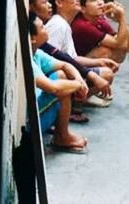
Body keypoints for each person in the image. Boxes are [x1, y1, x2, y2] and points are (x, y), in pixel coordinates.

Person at [30, 0, 118, 101]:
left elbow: (69, 57)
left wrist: (98, 62)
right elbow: (56, 56)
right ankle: (74, 103)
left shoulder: (65, 24)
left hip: (66, 67)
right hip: (53, 77)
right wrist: (84, 78)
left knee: (105, 68)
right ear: (59, 2)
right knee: (104, 73)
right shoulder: (58, 25)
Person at [29, 12, 88, 154]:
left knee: (61, 74)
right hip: (29, 120)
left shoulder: (36, 53)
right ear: (32, 38)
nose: (45, 29)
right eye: (42, 27)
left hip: (39, 108)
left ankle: (61, 134)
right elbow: (52, 88)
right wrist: (77, 85)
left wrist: (79, 80)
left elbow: (65, 65)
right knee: (62, 85)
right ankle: (62, 136)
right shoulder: (27, 62)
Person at [73, 0, 129, 64]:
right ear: (82, 9)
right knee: (105, 51)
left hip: (85, 61)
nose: (100, 3)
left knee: (117, 47)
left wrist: (121, 21)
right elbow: (118, 44)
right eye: (94, 0)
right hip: (74, 64)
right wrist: (122, 17)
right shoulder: (82, 25)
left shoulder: (99, 20)